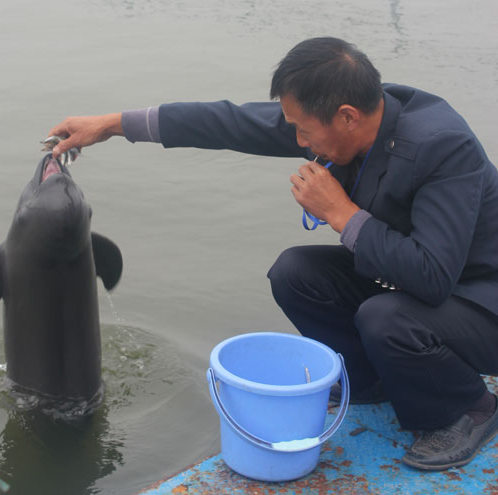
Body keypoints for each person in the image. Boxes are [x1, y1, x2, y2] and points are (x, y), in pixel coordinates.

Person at [46, 37, 498, 471]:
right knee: (295, 272)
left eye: (303, 130)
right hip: (421, 287)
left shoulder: (441, 145)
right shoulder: (352, 118)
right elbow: (231, 123)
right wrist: (111, 124)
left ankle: (466, 409)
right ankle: (372, 380)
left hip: (481, 301)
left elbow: (433, 277)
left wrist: (343, 214)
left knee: (386, 317)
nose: (298, 142)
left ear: (346, 117)